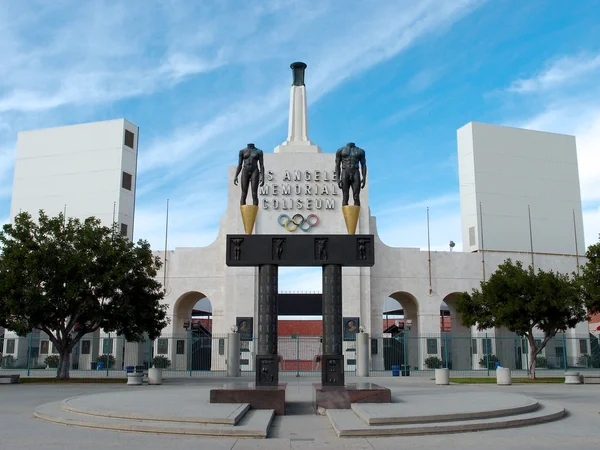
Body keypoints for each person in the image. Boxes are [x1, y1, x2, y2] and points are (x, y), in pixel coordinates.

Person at [334, 142, 367, 206]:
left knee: (356, 196)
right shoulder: (340, 150)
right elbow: (337, 165)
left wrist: (364, 177)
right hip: (345, 172)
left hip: (355, 172)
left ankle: (356, 215)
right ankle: (346, 216)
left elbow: (363, 165)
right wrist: (338, 179)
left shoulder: (360, 151)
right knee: (345, 196)